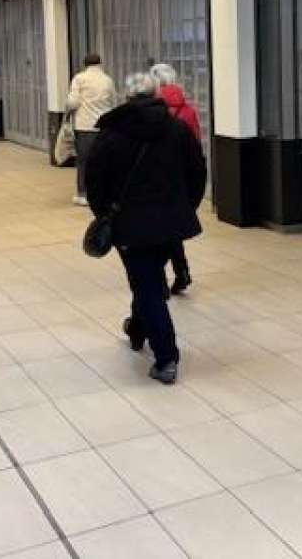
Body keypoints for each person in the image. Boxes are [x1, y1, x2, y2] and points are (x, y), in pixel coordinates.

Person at [85, 72, 206, 384]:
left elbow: (94, 183)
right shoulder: (178, 130)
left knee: (148, 286)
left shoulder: (111, 134)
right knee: (148, 280)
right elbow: (197, 173)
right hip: (171, 225)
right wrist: (184, 209)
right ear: (156, 95)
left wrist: (106, 216)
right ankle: (137, 329)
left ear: (126, 97)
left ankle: (167, 358)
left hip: (129, 228)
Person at [149, 63, 201, 295]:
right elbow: (196, 149)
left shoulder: (152, 113)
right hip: (180, 180)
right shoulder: (188, 111)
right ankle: (181, 272)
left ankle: (161, 278)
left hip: (155, 178)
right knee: (171, 228)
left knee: (156, 230)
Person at [66, 53, 116, 206]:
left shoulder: (79, 79)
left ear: (85, 64)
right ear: (100, 63)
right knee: (103, 160)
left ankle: (83, 194)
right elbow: (113, 102)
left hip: (85, 126)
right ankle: (104, 191)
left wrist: (68, 107)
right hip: (104, 126)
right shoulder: (108, 80)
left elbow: (73, 102)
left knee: (84, 161)